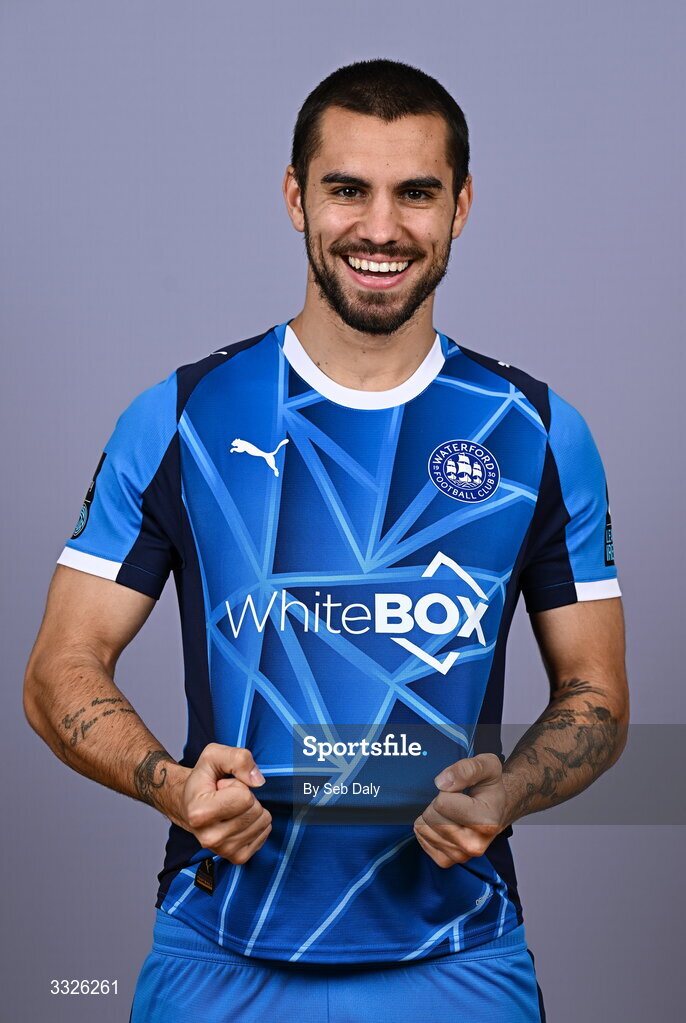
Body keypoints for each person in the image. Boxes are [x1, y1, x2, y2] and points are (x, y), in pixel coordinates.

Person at [24, 58, 628, 1022]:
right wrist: (175, 788)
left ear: (461, 206)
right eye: (348, 189)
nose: (381, 228)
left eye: (416, 193)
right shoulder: (181, 417)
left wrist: (509, 790)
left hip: (458, 957)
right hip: (218, 953)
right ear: (295, 196)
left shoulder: (538, 430)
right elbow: (60, 669)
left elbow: (597, 699)